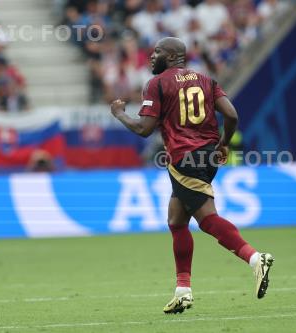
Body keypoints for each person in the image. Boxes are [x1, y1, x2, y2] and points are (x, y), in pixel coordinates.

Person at [110, 37, 274, 314]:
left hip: (184, 158)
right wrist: (223, 143)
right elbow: (232, 115)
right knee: (176, 219)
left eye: (158, 52)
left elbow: (143, 129)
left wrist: (119, 114)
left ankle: (255, 258)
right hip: (208, 156)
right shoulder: (206, 80)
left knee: (208, 220)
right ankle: (182, 291)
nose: (152, 57)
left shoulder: (158, 83)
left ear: (173, 56)